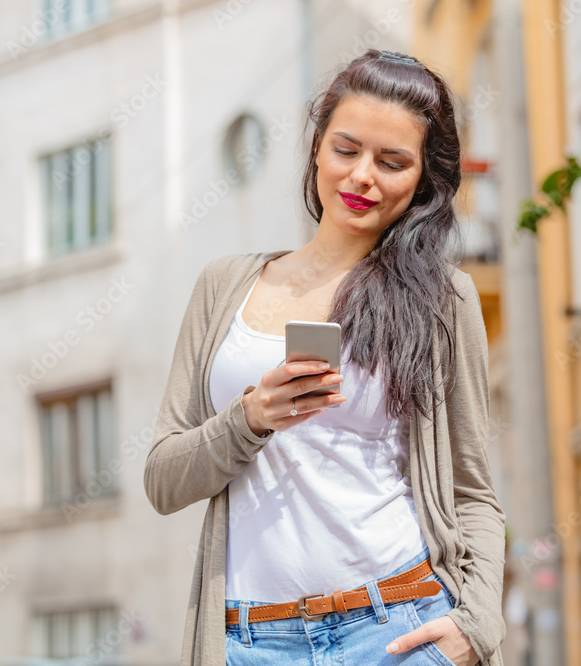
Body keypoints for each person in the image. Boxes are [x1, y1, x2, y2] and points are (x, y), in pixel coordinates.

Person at [143, 50, 506, 666]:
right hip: (252, 642)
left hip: (399, 626)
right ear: (316, 149)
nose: (362, 176)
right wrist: (250, 418)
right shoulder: (223, 285)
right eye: (346, 149)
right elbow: (162, 479)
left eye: (392, 162)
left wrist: (476, 626)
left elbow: (472, 491)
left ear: (423, 179)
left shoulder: (443, 300)